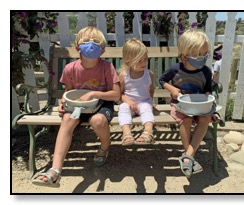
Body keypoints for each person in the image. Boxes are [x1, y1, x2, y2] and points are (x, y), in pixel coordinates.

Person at [32, 26, 120, 187]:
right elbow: (69, 92)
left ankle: (104, 147)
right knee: (67, 120)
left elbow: (116, 95)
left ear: (102, 50)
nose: (91, 44)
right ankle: (55, 171)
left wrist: (95, 94)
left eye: (96, 41)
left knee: (98, 121)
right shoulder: (70, 68)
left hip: (101, 103)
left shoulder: (107, 67)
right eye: (86, 41)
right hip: (78, 105)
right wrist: (63, 104)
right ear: (77, 47)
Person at [159, 29, 213, 178]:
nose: (202, 58)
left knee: (205, 118)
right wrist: (172, 89)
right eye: (198, 55)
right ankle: (190, 157)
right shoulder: (175, 69)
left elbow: (208, 90)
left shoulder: (206, 71)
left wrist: (209, 96)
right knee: (186, 120)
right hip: (180, 104)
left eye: (204, 54)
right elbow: (162, 80)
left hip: (199, 105)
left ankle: (188, 156)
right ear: (185, 55)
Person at [118, 38, 155, 146]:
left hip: (144, 102)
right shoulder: (124, 75)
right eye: (139, 60)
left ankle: (148, 132)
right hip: (129, 103)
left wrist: (151, 102)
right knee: (123, 108)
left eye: (145, 59)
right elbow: (119, 94)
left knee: (146, 108)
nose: (144, 63)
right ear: (128, 62)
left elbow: (151, 89)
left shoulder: (149, 74)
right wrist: (128, 102)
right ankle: (127, 134)